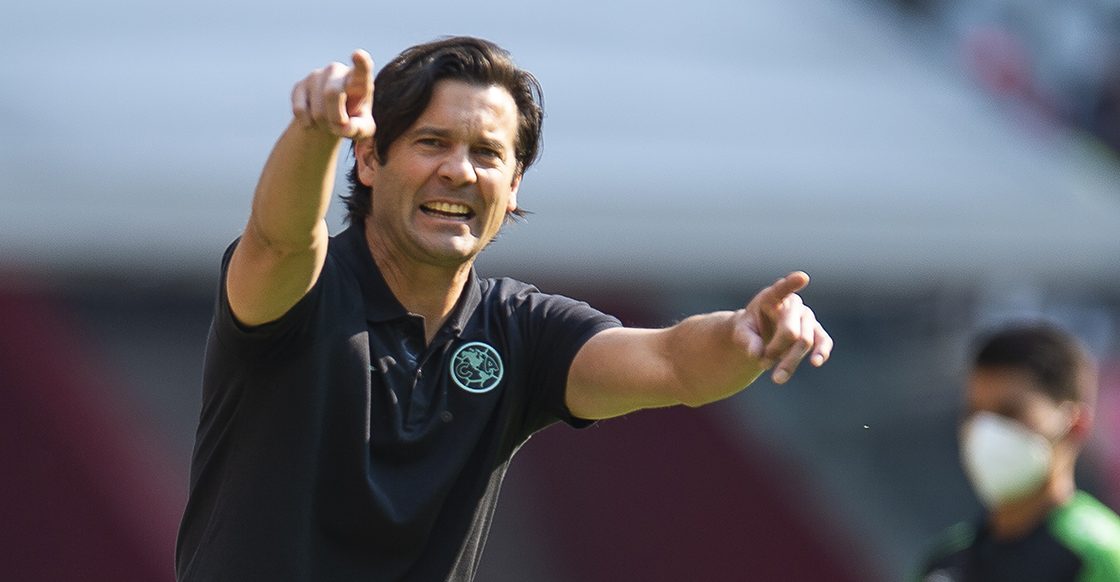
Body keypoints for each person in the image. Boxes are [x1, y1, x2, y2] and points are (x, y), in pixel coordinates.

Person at [175, 36, 832, 582]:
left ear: (513, 186)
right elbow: (280, 240)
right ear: (369, 159)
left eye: (486, 153)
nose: (459, 172)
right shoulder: (304, 288)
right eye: (432, 143)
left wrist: (743, 334)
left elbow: (673, 362)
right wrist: (315, 132)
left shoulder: (521, 330)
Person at [916, 323, 1120, 581]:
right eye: (974, 412)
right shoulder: (945, 558)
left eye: (1010, 413)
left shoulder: (1100, 556)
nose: (985, 432)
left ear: (1074, 425)